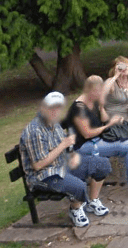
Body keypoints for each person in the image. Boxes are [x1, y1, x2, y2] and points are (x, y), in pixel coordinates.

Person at [20, 92, 112, 227]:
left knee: (102, 164)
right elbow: (38, 165)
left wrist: (73, 155)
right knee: (78, 185)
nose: (55, 111)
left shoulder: (54, 124)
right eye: (52, 107)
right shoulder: (34, 131)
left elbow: (66, 145)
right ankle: (75, 210)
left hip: (62, 164)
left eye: (58, 107)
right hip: (42, 176)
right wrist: (64, 145)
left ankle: (93, 200)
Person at [65, 76, 128, 199]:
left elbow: (104, 119)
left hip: (100, 137)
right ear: (90, 90)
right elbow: (87, 134)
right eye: (99, 91)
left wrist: (102, 108)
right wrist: (109, 125)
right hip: (85, 145)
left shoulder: (93, 101)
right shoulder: (79, 109)